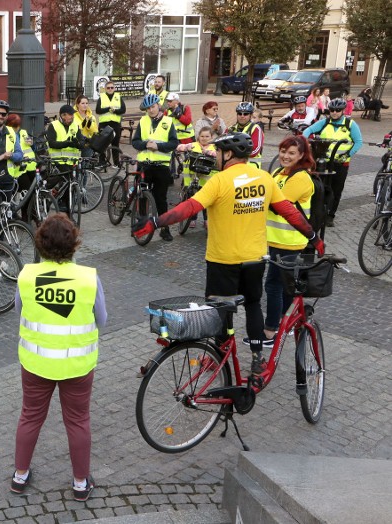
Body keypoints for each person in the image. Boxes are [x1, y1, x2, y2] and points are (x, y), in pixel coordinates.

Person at [132, 133, 324, 383]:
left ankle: (218, 356)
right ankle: (257, 359)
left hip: (223, 259)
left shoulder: (219, 181)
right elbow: (289, 211)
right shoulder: (264, 177)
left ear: (229, 154)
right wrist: (313, 237)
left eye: (219, 153)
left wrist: (155, 221)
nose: (216, 157)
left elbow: (190, 207)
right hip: (254, 258)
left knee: (220, 311)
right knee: (253, 304)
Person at [11, 213, 107, 502]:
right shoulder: (88, 278)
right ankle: (80, 483)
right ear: (74, 244)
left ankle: (19, 476)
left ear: (40, 243)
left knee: (30, 417)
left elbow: (20, 311)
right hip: (77, 364)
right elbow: (101, 319)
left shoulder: (27, 276)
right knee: (78, 421)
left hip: (36, 363)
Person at [246, 135, 316, 348]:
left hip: (290, 240)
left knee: (273, 284)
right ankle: (282, 322)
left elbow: (277, 204)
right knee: (283, 285)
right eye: (283, 151)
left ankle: (270, 331)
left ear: (302, 155)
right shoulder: (278, 172)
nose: (285, 156)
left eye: (291, 153)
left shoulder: (301, 178)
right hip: (275, 239)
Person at [302, 97, 363, 227]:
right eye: (332, 110)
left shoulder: (350, 124)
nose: (334, 112)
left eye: (337, 110)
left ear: (342, 111)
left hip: (341, 163)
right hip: (323, 161)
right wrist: (305, 141)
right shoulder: (325, 122)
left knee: (336, 189)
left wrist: (348, 154)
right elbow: (308, 130)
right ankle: (317, 212)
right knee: (319, 187)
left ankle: (330, 215)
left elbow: (358, 142)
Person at [131, 93, 178, 241]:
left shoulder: (168, 122)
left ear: (159, 106)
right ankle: (142, 226)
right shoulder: (143, 121)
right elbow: (135, 142)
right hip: (144, 165)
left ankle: (165, 228)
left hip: (161, 166)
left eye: (153, 106)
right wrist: (145, 144)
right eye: (148, 108)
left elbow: (173, 143)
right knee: (142, 197)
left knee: (161, 199)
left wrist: (158, 146)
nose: (151, 110)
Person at [175, 126, 217, 228]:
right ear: (198, 136)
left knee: (206, 202)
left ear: (211, 137)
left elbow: (218, 155)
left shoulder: (214, 147)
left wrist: (208, 152)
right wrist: (185, 148)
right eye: (202, 136)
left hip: (207, 181)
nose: (204, 138)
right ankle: (192, 219)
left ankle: (206, 220)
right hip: (192, 179)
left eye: (207, 136)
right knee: (193, 200)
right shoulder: (194, 145)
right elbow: (179, 147)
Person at [46, 105, 84, 213]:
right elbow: (52, 143)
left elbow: (82, 143)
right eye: (70, 115)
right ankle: (51, 197)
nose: (72, 117)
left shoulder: (75, 126)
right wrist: (66, 143)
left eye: (72, 115)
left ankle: (67, 208)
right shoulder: (53, 125)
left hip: (72, 161)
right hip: (58, 160)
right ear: (63, 115)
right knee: (64, 180)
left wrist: (78, 144)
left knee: (70, 184)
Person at [6, 113, 37, 218]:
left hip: (30, 166)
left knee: (29, 192)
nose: (17, 128)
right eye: (14, 126)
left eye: (18, 125)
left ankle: (25, 215)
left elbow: (32, 148)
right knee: (25, 192)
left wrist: (32, 144)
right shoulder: (7, 134)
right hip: (18, 168)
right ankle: (25, 215)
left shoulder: (23, 132)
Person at [94, 80, 125, 165]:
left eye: (112, 87)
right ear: (105, 89)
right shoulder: (102, 97)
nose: (110, 89)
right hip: (104, 124)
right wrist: (108, 108)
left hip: (115, 124)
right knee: (102, 144)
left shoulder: (118, 97)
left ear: (114, 88)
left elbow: (123, 110)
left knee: (115, 144)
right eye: (108, 88)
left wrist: (115, 111)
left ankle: (116, 162)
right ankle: (102, 162)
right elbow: (98, 110)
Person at [228, 101, 264, 168]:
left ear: (250, 115)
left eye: (245, 114)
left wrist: (235, 154)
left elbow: (255, 150)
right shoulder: (230, 129)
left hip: (251, 165)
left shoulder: (255, 129)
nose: (242, 116)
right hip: (233, 165)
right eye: (239, 113)